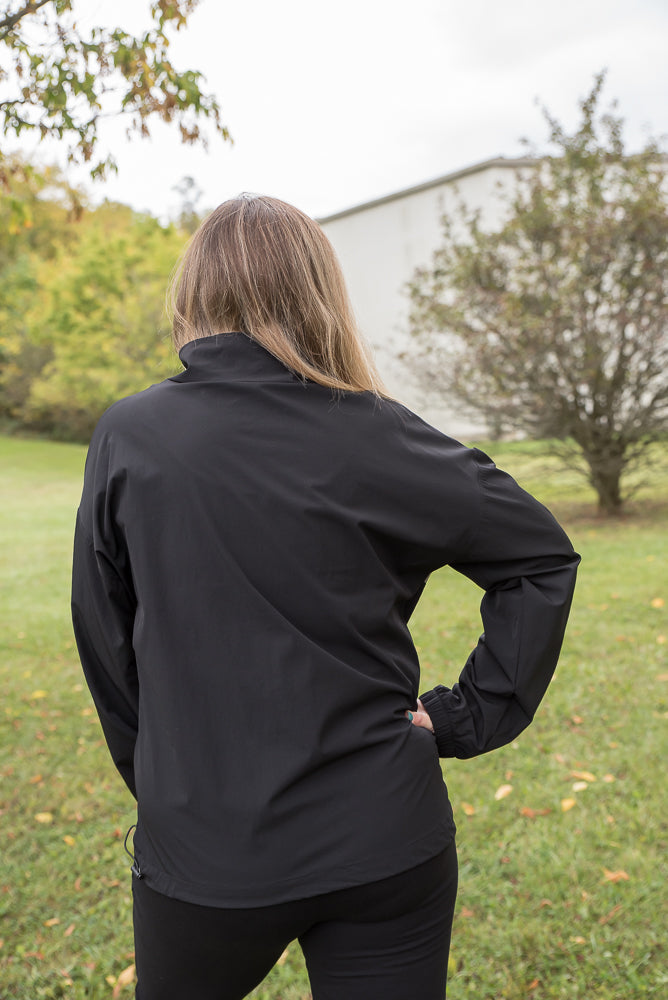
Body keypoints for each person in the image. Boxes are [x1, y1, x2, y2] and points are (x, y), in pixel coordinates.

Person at [71, 194, 580, 1000]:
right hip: (382, 833)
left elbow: (104, 642)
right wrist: (468, 716)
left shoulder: (134, 435)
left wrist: (461, 715)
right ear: (318, 294)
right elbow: (539, 557)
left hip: (216, 845)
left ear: (195, 295)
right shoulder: (381, 432)